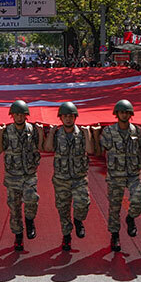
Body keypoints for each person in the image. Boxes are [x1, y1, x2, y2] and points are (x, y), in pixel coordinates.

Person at [93, 99, 141, 253]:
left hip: (133, 174)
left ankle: (131, 218)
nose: (124, 114)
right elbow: (98, 151)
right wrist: (95, 134)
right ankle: (115, 235)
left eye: (127, 112)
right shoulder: (109, 132)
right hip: (115, 175)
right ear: (116, 114)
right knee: (114, 208)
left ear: (130, 115)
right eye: (121, 112)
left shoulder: (136, 131)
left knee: (138, 198)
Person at [43, 102, 93, 252]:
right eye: (65, 116)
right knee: (63, 208)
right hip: (61, 178)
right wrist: (51, 133)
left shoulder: (82, 133)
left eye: (71, 116)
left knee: (83, 203)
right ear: (61, 118)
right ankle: (66, 236)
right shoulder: (57, 134)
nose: (68, 119)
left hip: (79, 177)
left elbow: (90, 150)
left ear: (75, 117)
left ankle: (78, 220)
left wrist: (88, 134)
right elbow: (47, 148)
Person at [0, 100, 42, 251]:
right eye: (16, 114)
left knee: (32, 199)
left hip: (29, 174)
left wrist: (40, 132)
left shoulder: (32, 130)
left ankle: (29, 220)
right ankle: (18, 236)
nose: (19, 117)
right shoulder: (7, 131)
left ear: (26, 116)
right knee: (14, 208)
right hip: (13, 175)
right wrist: (0, 133)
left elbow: (41, 147)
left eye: (22, 114)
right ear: (12, 116)